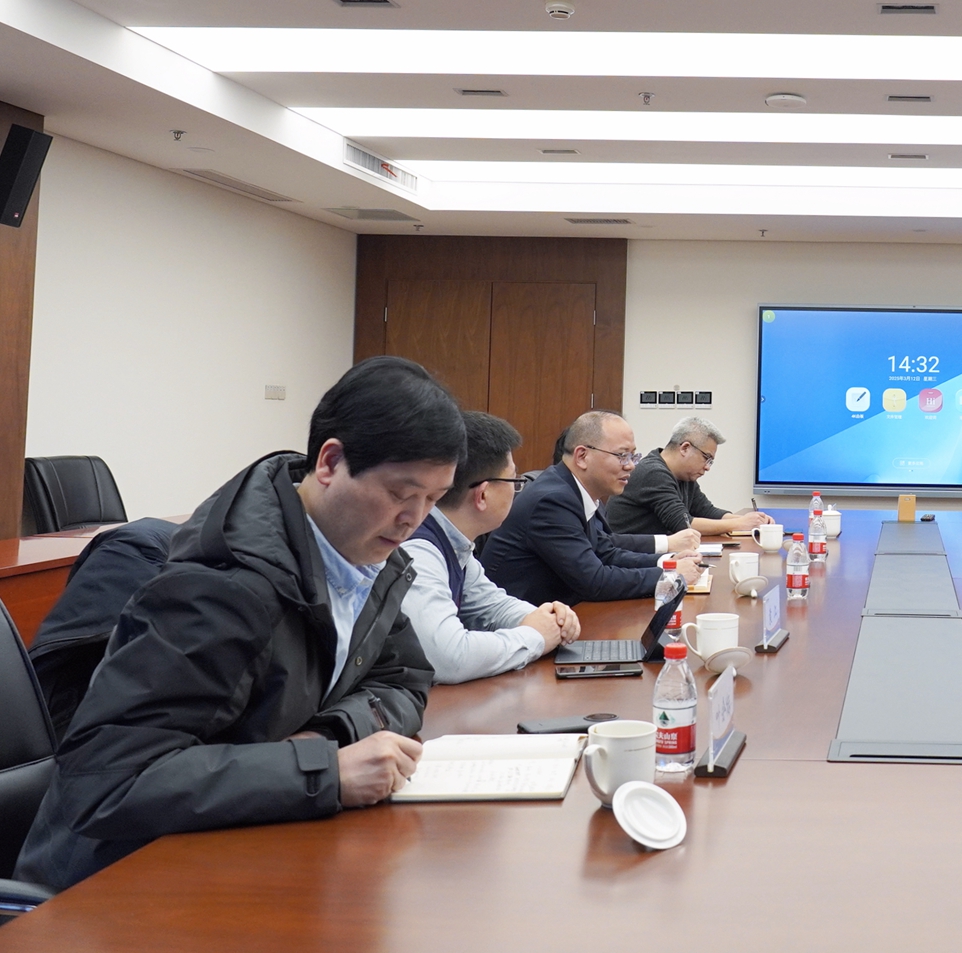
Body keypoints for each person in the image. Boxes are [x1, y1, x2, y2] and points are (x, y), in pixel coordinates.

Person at [18, 356, 461, 891]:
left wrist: (329, 736)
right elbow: (107, 783)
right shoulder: (220, 587)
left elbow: (403, 679)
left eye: (433, 500)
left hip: (237, 852)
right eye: (401, 494)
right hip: (113, 886)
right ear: (330, 462)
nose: (414, 520)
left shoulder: (365, 560)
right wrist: (324, 770)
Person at [402, 411, 582, 684]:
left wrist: (545, 618)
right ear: (483, 494)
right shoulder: (419, 550)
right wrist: (535, 636)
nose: (517, 491)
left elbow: (490, 605)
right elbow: (448, 658)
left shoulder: (455, 542)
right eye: (515, 481)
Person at [483, 410, 701, 605]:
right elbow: (594, 581)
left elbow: (605, 552)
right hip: (521, 623)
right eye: (622, 455)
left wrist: (667, 562)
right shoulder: (553, 501)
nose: (631, 465)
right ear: (582, 456)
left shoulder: (579, 491)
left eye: (633, 456)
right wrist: (669, 576)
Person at [605, 416, 771, 537]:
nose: (707, 467)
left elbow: (706, 511)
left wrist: (752, 520)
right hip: (629, 558)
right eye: (706, 458)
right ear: (685, 448)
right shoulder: (653, 473)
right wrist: (739, 524)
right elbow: (684, 524)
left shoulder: (684, 476)